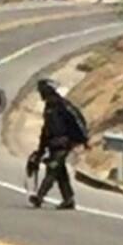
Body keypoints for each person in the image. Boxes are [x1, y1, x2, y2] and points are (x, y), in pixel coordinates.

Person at [28, 78, 89, 212]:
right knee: (60, 172)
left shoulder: (63, 105)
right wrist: (40, 150)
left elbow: (77, 121)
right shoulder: (49, 107)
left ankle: (39, 196)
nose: (41, 93)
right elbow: (46, 130)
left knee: (53, 168)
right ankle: (68, 199)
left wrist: (83, 139)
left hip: (64, 143)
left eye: (42, 91)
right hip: (53, 144)